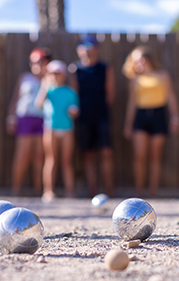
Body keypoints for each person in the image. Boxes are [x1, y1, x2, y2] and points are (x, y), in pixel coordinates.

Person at [122, 46, 179, 197]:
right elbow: (132, 103)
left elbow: (170, 96)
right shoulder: (135, 80)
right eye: (135, 62)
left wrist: (175, 116)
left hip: (158, 115)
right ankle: (139, 191)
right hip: (141, 117)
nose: (139, 64)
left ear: (148, 59)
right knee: (139, 155)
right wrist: (128, 124)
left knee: (155, 156)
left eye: (141, 60)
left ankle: (153, 192)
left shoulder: (162, 75)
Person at [69, 36, 115, 197]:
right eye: (82, 45)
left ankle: (109, 190)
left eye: (90, 45)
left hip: (101, 115)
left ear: (97, 48)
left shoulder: (104, 68)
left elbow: (110, 94)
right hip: (83, 117)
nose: (86, 49)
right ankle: (92, 191)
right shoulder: (75, 69)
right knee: (87, 154)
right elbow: (74, 94)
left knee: (106, 152)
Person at [6, 48, 51, 196]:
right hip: (25, 118)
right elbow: (15, 99)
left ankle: (38, 191)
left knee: (39, 156)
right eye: (33, 62)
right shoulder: (24, 78)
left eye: (40, 62)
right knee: (22, 154)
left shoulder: (50, 79)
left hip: (43, 119)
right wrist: (11, 117)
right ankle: (16, 189)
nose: (36, 65)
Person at [35, 60, 79, 201]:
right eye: (51, 73)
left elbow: (76, 110)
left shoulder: (70, 92)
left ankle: (69, 192)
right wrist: (44, 88)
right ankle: (48, 191)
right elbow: (39, 105)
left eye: (57, 73)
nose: (54, 76)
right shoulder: (47, 91)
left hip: (67, 129)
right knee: (51, 160)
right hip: (51, 129)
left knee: (66, 161)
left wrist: (73, 111)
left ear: (63, 74)